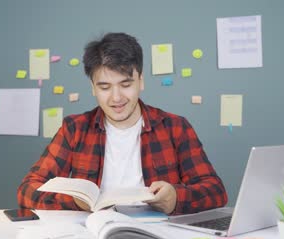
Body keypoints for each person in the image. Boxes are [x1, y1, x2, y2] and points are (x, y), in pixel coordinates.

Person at [17, 32, 227, 215]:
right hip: (93, 236)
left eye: (125, 84)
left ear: (141, 81)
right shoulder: (75, 129)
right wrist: (73, 201)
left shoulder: (175, 127)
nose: (116, 98)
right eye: (105, 87)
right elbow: (27, 190)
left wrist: (176, 198)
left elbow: (216, 191)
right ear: (93, 87)